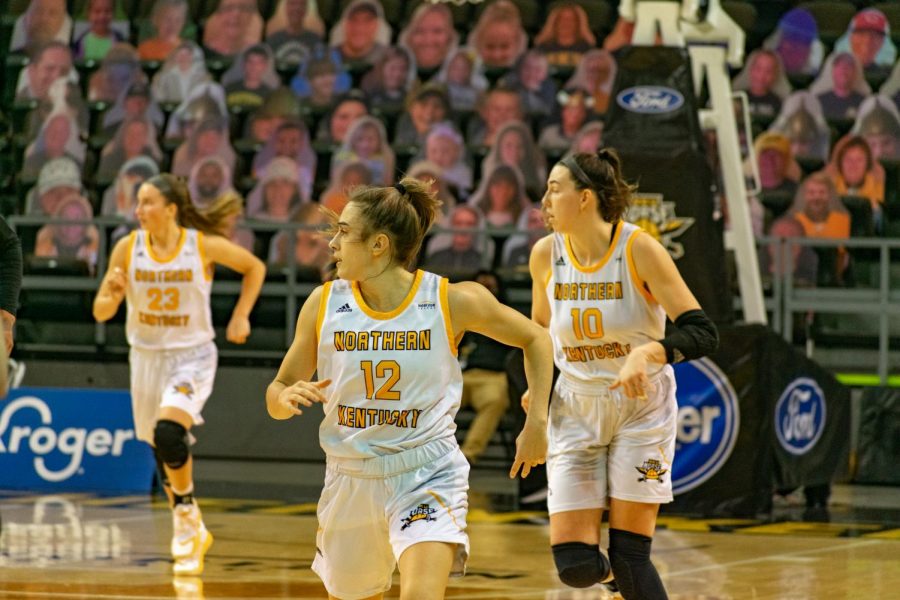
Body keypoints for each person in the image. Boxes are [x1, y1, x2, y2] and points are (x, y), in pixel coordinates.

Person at [265, 177, 551, 599]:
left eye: (344, 232)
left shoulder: (449, 300)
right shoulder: (323, 304)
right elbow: (278, 391)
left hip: (426, 469)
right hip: (350, 475)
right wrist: (283, 397)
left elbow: (537, 339)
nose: (332, 244)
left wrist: (538, 421)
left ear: (379, 244)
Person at [529, 149, 718, 597]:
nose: (544, 200)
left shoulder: (638, 248)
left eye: (555, 189)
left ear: (585, 198)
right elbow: (538, 337)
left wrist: (651, 353)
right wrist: (536, 401)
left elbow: (702, 332)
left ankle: (625, 574)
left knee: (632, 557)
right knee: (575, 567)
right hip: (575, 403)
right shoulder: (544, 255)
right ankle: (612, 578)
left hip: (639, 405)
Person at [93, 173, 265, 576]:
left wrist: (240, 315)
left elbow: (253, 267)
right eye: (138, 202)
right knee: (161, 448)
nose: (139, 210)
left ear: (171, 209)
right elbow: (100, 312)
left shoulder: (198, 245)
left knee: (169, 431)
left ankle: (185, 514)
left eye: (148, 201)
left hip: (191, 356)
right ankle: (189, 526)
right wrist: (112, 293)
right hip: (146, 357)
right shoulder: (127, 247)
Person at [457, 270, 514, 463]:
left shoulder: (510, 316)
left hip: (493, 376)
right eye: (480, 288)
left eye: (489, 288)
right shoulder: (460, 315)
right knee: (433, 397)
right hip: (462, 375)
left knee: (495, 400)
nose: (485, 293)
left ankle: (467, 455)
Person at [534, 3, 596, 69]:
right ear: (555, 23)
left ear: (578, 24)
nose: (566, 23)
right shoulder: (543, 47)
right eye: (561, 19)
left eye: (571, 20)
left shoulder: (587, 49)